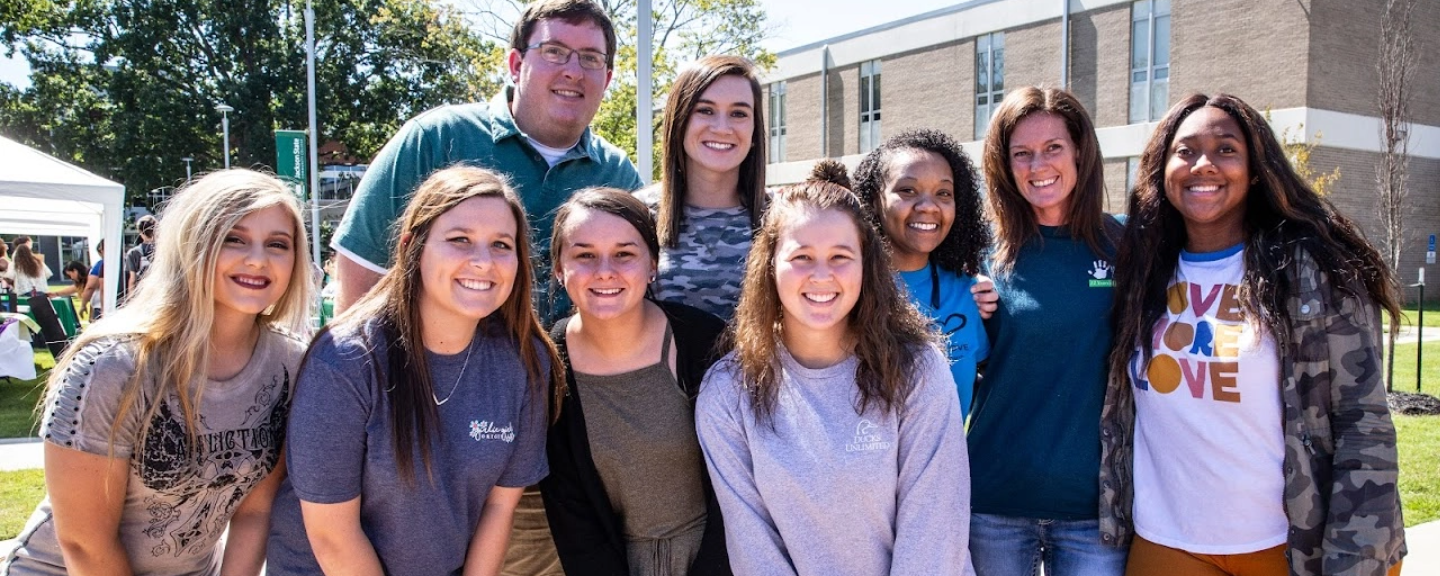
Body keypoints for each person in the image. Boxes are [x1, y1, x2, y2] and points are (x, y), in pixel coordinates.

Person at [1102, 93, 1406, 576]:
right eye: (1185, 151)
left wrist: (1358, 557)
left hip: (1290, 546)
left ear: (1258, 169)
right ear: (1162, 168)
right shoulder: (1143, 269)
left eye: (1226, 149)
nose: (1203, 164)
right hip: (1167, 542)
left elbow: (1362, 420)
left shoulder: (1311, 269)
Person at [1, 169, 315, 576]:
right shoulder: (111, 366)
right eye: (233, 238)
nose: (257, 258)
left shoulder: (291, 364)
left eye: (278, 244)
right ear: (192, 244)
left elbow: (255, 512)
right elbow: (84, 543)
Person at [265, 165, 561, 576]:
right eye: (460, 240)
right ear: (412, 247)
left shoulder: (525, 362)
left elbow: (499, 506)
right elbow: (333, 535)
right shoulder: (346, 361)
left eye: (501, 245)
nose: (482, 262)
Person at [696, 161, 973, 575]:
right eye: (802, 256)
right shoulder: (728, 392)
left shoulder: (917, 371)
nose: (821, 275)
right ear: (769, 265)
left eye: (840, 256)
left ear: (867, 264)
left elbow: (935, 531)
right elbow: (754, 549)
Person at [333, 0, 643, 317]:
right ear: (516, 65)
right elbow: (361, 280)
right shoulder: (435, 140)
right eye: (554, 51)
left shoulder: (619, 178)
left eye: (590, 58)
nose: (573, 71)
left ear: (606, 79)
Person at [967, 86, 1127, 576]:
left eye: (1053, 148)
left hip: (1092, 511)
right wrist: (964, 308)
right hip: (994, 504)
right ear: (1004, 164)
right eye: (1022, 153)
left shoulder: (1124, 244)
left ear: (1079, 151)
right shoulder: (980, 255)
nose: (1039, 165)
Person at [541, 188, 731, 575]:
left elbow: (743, 484)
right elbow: (571, 513)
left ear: (653, 265)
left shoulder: (704, 343)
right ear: (560, 269)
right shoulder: (546, 366)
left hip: (721, 559)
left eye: (624, 254)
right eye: (584, 255)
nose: (605, 270)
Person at [852, 128, 993, 418]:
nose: (928, 206)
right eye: (907, 190)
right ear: (874, 200)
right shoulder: (851, 289)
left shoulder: (968, 293)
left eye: (943, 193)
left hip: (948, 462)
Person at [634, 55, 766, 319]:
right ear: (679, 121)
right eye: (705, 110)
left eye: (738, 113)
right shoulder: (637, 216)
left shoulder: (781, 218)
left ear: (754, 130)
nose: (722, 127)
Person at [6, 236, 69, 358]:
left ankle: (34, 340)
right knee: (46, 320)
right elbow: (48, 274)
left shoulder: (15, 264)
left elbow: (10, 276)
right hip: (41, 292)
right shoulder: (38, 262)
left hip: (25, 294)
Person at [125, 214, 157, 299]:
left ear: (140, 232)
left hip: (142, 297)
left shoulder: (133, 253)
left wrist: (130, 301)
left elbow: (132, 280)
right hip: (159, 296)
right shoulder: (164, 250)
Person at [80, 240, 105, 320]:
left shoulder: (100, 265)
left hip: (101, 306)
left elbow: (90, 287)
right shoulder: (126, 260)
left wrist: (83, 305)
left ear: (101, 250)